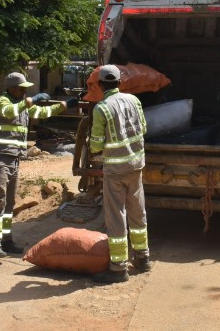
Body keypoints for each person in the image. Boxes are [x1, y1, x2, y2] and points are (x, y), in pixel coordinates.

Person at [0, 71, 78, 260]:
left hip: (15, 158)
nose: (25, 92)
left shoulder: (24, 106)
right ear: (12, 88)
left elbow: (44, 112)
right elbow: (10, 112)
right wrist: (32, 100)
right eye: (22, 89)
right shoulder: (3, 102)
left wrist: (66, 104)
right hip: (0, 158)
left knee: (10, 202)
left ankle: (6, 240)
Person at [89, 64, 151, 283]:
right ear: (119, 82)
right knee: (137, 211)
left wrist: (96, 146)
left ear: (100, 85)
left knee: (116, 216)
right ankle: (142, 258)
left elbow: (96, 144)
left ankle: (118, 268)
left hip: (115, 170)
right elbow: (143, 129)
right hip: (136, 165)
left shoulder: (101, 108)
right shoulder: (134, 100)